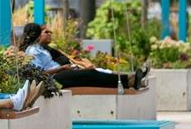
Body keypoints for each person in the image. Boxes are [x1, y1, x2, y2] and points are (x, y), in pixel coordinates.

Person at [19, 23, 147, 89]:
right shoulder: (32, 51)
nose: (43, 35)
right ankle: (128, 82)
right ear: (36, 35)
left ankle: (130, 79)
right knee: (90, 74)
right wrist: (62, 68)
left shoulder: (38, 48)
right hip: (54, 78)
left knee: (91, 73)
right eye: (40, 33)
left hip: (60, 73)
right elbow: (40, 72)